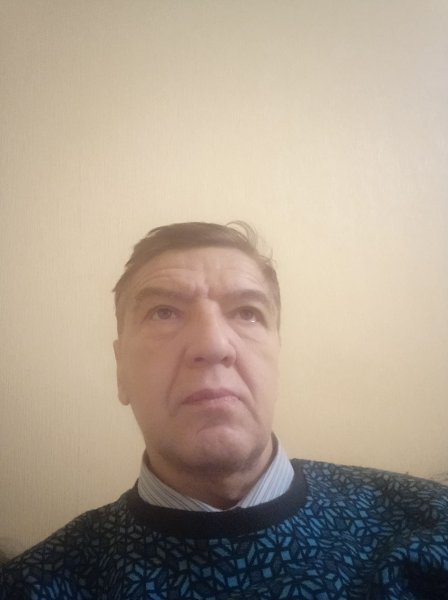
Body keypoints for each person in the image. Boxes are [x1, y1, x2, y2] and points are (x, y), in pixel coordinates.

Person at [1, 221, 448, 599]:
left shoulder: (430, 525)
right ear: (121, 371)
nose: (213, 345)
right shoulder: (35, 585)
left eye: (247, 313)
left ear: (277, 355)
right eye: (163, 312)